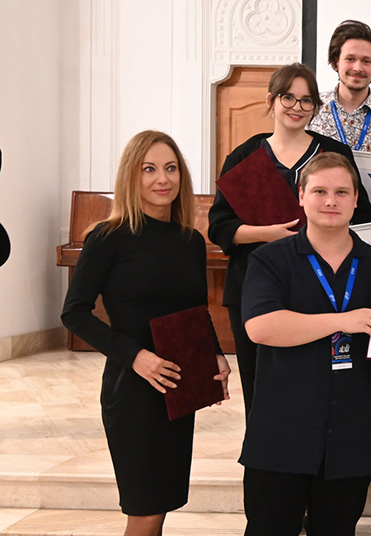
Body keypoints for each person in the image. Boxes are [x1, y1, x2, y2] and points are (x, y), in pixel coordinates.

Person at [61, 130, 231, 536]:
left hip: (178, 385)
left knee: (162, 503)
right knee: (144, 510)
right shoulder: (107, 237)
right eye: (149, 169)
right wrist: (137, 357)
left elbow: (196, 310)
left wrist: (215, 354)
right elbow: (74, 314)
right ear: (131, 176)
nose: (162, 179)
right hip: (133, 388)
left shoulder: (190, 241)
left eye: (171, 168)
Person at [239, 152, 371, 535]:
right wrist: (343, 321)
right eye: (320, 191)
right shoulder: (270, 260)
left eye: (341, 192)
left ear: (356, 199)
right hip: (280, 439)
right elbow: (261, 327)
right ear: (301, 195)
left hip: (349, 440)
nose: (331, 201)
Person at [208, 63, 371, 418]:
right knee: (260, 387)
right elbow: (220, 226)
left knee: (318, 386)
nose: (297, 107)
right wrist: (269, 235)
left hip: (322, 285)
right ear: (271, 100)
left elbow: (361, 217)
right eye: (288, 97)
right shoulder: (244, 156)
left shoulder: (333, 153)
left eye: (306, 100)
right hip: (254, 284)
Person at [310, 19, 371, 156]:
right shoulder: (312, 107)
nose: (357, 68)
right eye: (350, 59)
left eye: (366, 61)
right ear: (336, 62)